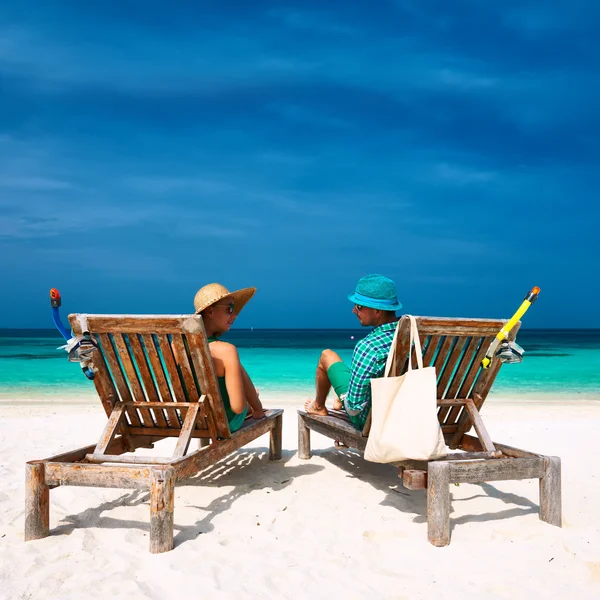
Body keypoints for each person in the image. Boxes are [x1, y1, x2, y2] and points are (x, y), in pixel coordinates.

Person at [304, 274, 401, 430]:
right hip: (405, 414)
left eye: (359, 306)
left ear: (377, 311)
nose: (354, 310)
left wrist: (343, 396)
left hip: (372, 420)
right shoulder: (415, 338)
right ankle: (339, 394)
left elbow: (355, 408)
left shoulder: (369, 347)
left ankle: (319, 407)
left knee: (326, 356)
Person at [194, 283, 266, 432]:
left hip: (193, 420)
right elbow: (238, 407)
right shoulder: (226, 350)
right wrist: (247, 401)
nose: (234, 315)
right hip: (223, 422)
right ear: (210, 312)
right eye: (230, 309)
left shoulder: (177, 346)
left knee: (235, 365)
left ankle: (256, 404)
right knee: (234, 365)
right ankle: (257, 407)